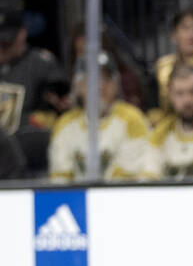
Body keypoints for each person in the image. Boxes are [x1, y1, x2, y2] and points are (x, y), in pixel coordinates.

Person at [48, 52, 158, 182]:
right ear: (78, 86)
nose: (100, 85)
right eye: (92, 79)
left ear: (116, 85)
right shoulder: (64, 124)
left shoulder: (132, 119)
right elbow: (60, 178)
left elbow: (127, 177)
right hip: (77, 200)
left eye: (107, 78)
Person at [0, 0, 68, 133]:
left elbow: (59, 108)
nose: (1, 48)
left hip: (28, 142)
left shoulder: (42, 64)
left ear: (23, 33)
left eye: (6, 42)